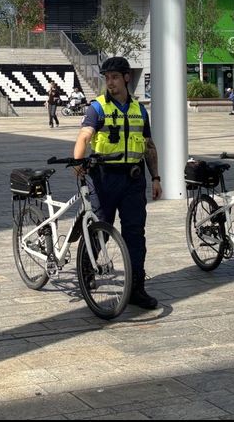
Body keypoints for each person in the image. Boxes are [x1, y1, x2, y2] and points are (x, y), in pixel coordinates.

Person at [73, 56, 161, 310]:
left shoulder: (139, 110)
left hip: (133, 179)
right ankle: (87, 270)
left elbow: (149, 146)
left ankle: (136, 288)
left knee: (135, 234)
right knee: (100, 228)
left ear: (126, 77)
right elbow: (85, 135)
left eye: (114, 77)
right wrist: (78, 160)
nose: (109, 82)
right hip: (104, 178)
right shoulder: (97, 107)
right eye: (106, 78)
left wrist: (155, 177)